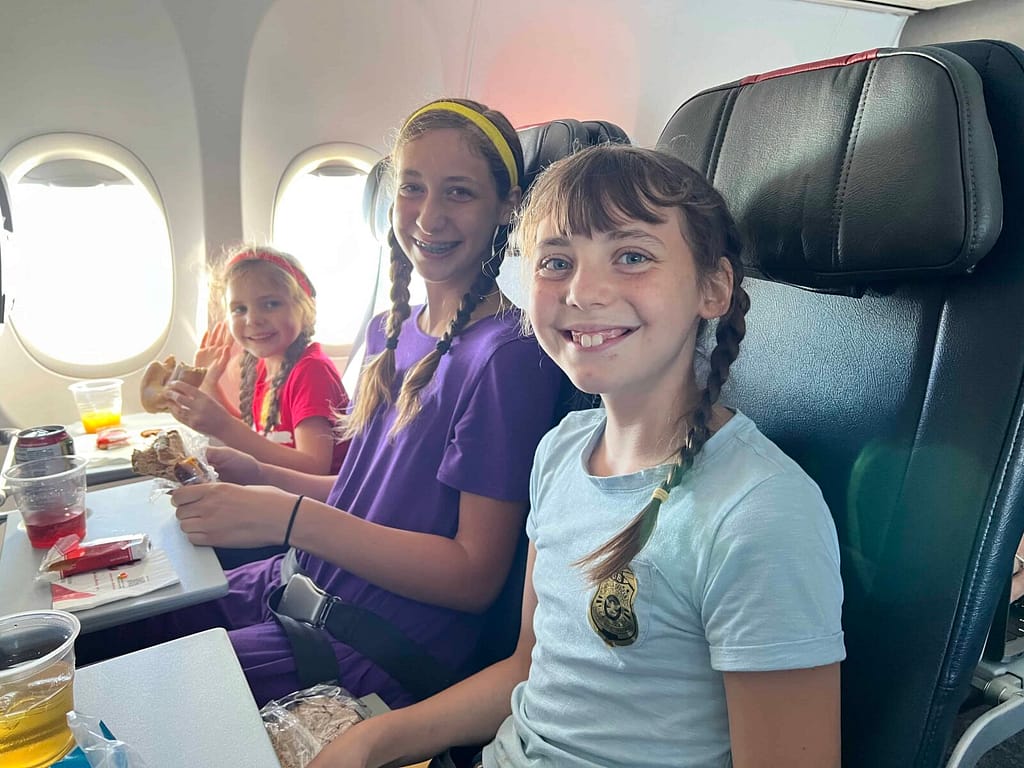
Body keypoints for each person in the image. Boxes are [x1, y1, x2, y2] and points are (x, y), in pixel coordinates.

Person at [311, 145, 846, 768]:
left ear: (713, 288)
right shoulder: (562, 449)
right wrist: (372, 740)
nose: (584, 291)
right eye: (556, 262)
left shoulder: (758, 515)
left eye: (633, 256)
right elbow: (529, 672)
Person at [78, 98, 568, 711]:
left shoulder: (506, 357)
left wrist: (288, 517)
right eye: (412, 187)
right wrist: (260, 474)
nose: (429, 216)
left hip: (371, 644)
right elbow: (366, 495)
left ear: (507, 206)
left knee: (118, 697)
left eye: (460, 193)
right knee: (99, 636)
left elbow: (473, 576)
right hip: (298, 584)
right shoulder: (392, 330)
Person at [165, 245, 349, 476]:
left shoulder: (312, 371)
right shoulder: (264, 367)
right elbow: (259, 440)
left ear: (305, 308)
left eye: (271, 304)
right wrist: (209, 386)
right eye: (239, 309)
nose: (253, 319)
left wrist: (224, 427)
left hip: (321, 503)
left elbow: (314, 467)